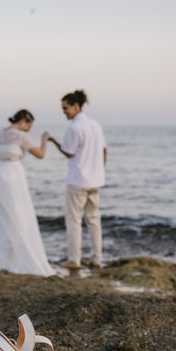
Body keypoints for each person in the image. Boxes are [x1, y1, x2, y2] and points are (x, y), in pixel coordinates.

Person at [0, 109, 55, 277]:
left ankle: (0, 261)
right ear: (24, 121)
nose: (28, 130)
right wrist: (44, 140)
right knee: (19, 216)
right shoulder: (20, 136)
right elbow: (40, 155)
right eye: (29, 126)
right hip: (12, 178)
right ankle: (18, 260)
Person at [48, 90, 107, 269]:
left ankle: (74, 260)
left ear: (76, 106)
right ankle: (97, 258)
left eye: (65, 108)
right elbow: (104, 150)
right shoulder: (95, 124)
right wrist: (99, 170)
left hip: (78, 180)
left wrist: (53, 141)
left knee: (74, 221)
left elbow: (69, 152)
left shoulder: (74, 128)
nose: (64, 111)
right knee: (94, 220)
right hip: (95, 180)